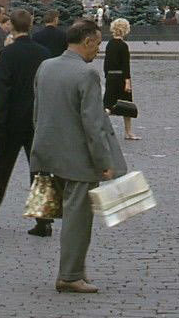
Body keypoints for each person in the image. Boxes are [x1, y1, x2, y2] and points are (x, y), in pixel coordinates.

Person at [31, 19, 124, 293]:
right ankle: (70, 275)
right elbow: (93, 124)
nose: (98, 50)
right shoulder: (87, 74)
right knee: (78, 218)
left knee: (61, 212)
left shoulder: (45, 66)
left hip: (47, 152)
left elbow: (38, 110)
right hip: (78, 158)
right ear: (87, 42)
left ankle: (77, 268)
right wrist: (104, 162)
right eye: (97, 44)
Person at [0, 8, 51, 235]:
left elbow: (2, 90)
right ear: (31, 25)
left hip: (12, 120)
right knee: (39, 170)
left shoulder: (8, 54)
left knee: (2, 167)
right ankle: (43, 221)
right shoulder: (43, 53)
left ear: (11, 26)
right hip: (37, 120)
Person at [104, 18, 136, 138]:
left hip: (111, 77)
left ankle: (101, 129)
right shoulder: (123, 46)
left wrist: (107, 76)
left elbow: (106, 64)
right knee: (127, 106)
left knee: (108, 105)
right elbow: (125, 65)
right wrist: (127, 82)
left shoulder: (109, 44)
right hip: (121, 77)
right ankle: (128, 132)